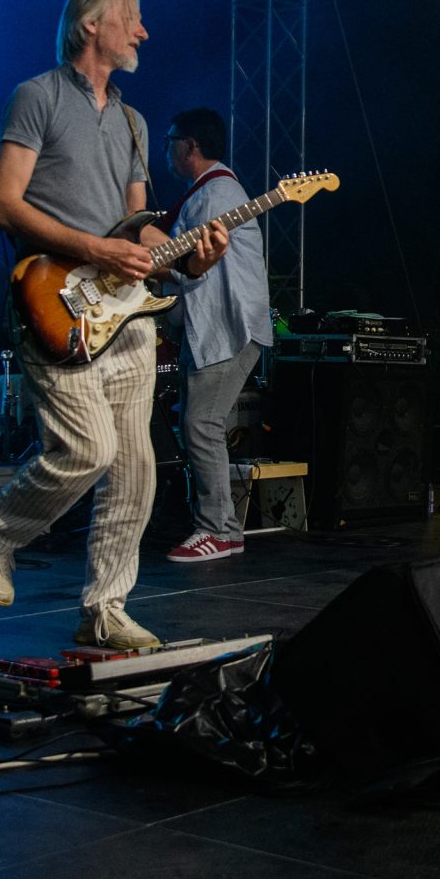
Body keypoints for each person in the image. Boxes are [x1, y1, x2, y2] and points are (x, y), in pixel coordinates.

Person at [0, 0, 228, 649]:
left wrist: (191, 258)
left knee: (136, 467)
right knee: (87, 448)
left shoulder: (134, 121)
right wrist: (96, 248)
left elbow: (136, 227)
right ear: (90, 26)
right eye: (132, 19)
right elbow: (4, 204)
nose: (143, 31)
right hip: (55, 301)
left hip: (125, 317)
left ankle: (105, 609)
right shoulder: (37, 96)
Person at [161, 106, 271, 563]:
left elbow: (191, 268)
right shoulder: (209, 193)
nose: (165, 151)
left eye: (170, 141)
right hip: (217, 329)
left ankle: (218, 531)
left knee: (201, 425)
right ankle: (221, 527)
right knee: (200, 425)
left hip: (227, 329)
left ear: (189, 146)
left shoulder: (216, 193)